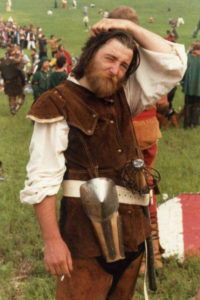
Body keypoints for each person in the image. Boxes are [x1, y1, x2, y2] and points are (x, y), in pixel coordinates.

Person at [20, 11, 186, 300]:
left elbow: (174, 63)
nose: (116, 70)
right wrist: (52, 241)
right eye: (110, 59)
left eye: (124, 65)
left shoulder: (125, 94)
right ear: (90, 54)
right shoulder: (58, 102)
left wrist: (127, 27)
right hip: (86, 241)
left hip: (133, 237)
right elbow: (42, 179)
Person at [0, 48, 25, 114]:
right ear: (12, 54)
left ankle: (12, 109)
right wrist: (24, 82)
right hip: (16, 82)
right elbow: (21, 71)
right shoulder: (15, 62)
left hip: (7, 82)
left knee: (11, 97)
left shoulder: (2, 63)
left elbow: (2, 74)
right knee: (21, 96)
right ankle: (15, 108)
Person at [182, 40, 200, 129]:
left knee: (188, 104)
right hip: (198, 88)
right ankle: (195, 123)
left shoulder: (187, 58)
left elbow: (183, 73)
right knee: (197, 105)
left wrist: (183, 83)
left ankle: (187, 123)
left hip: (189, 87)